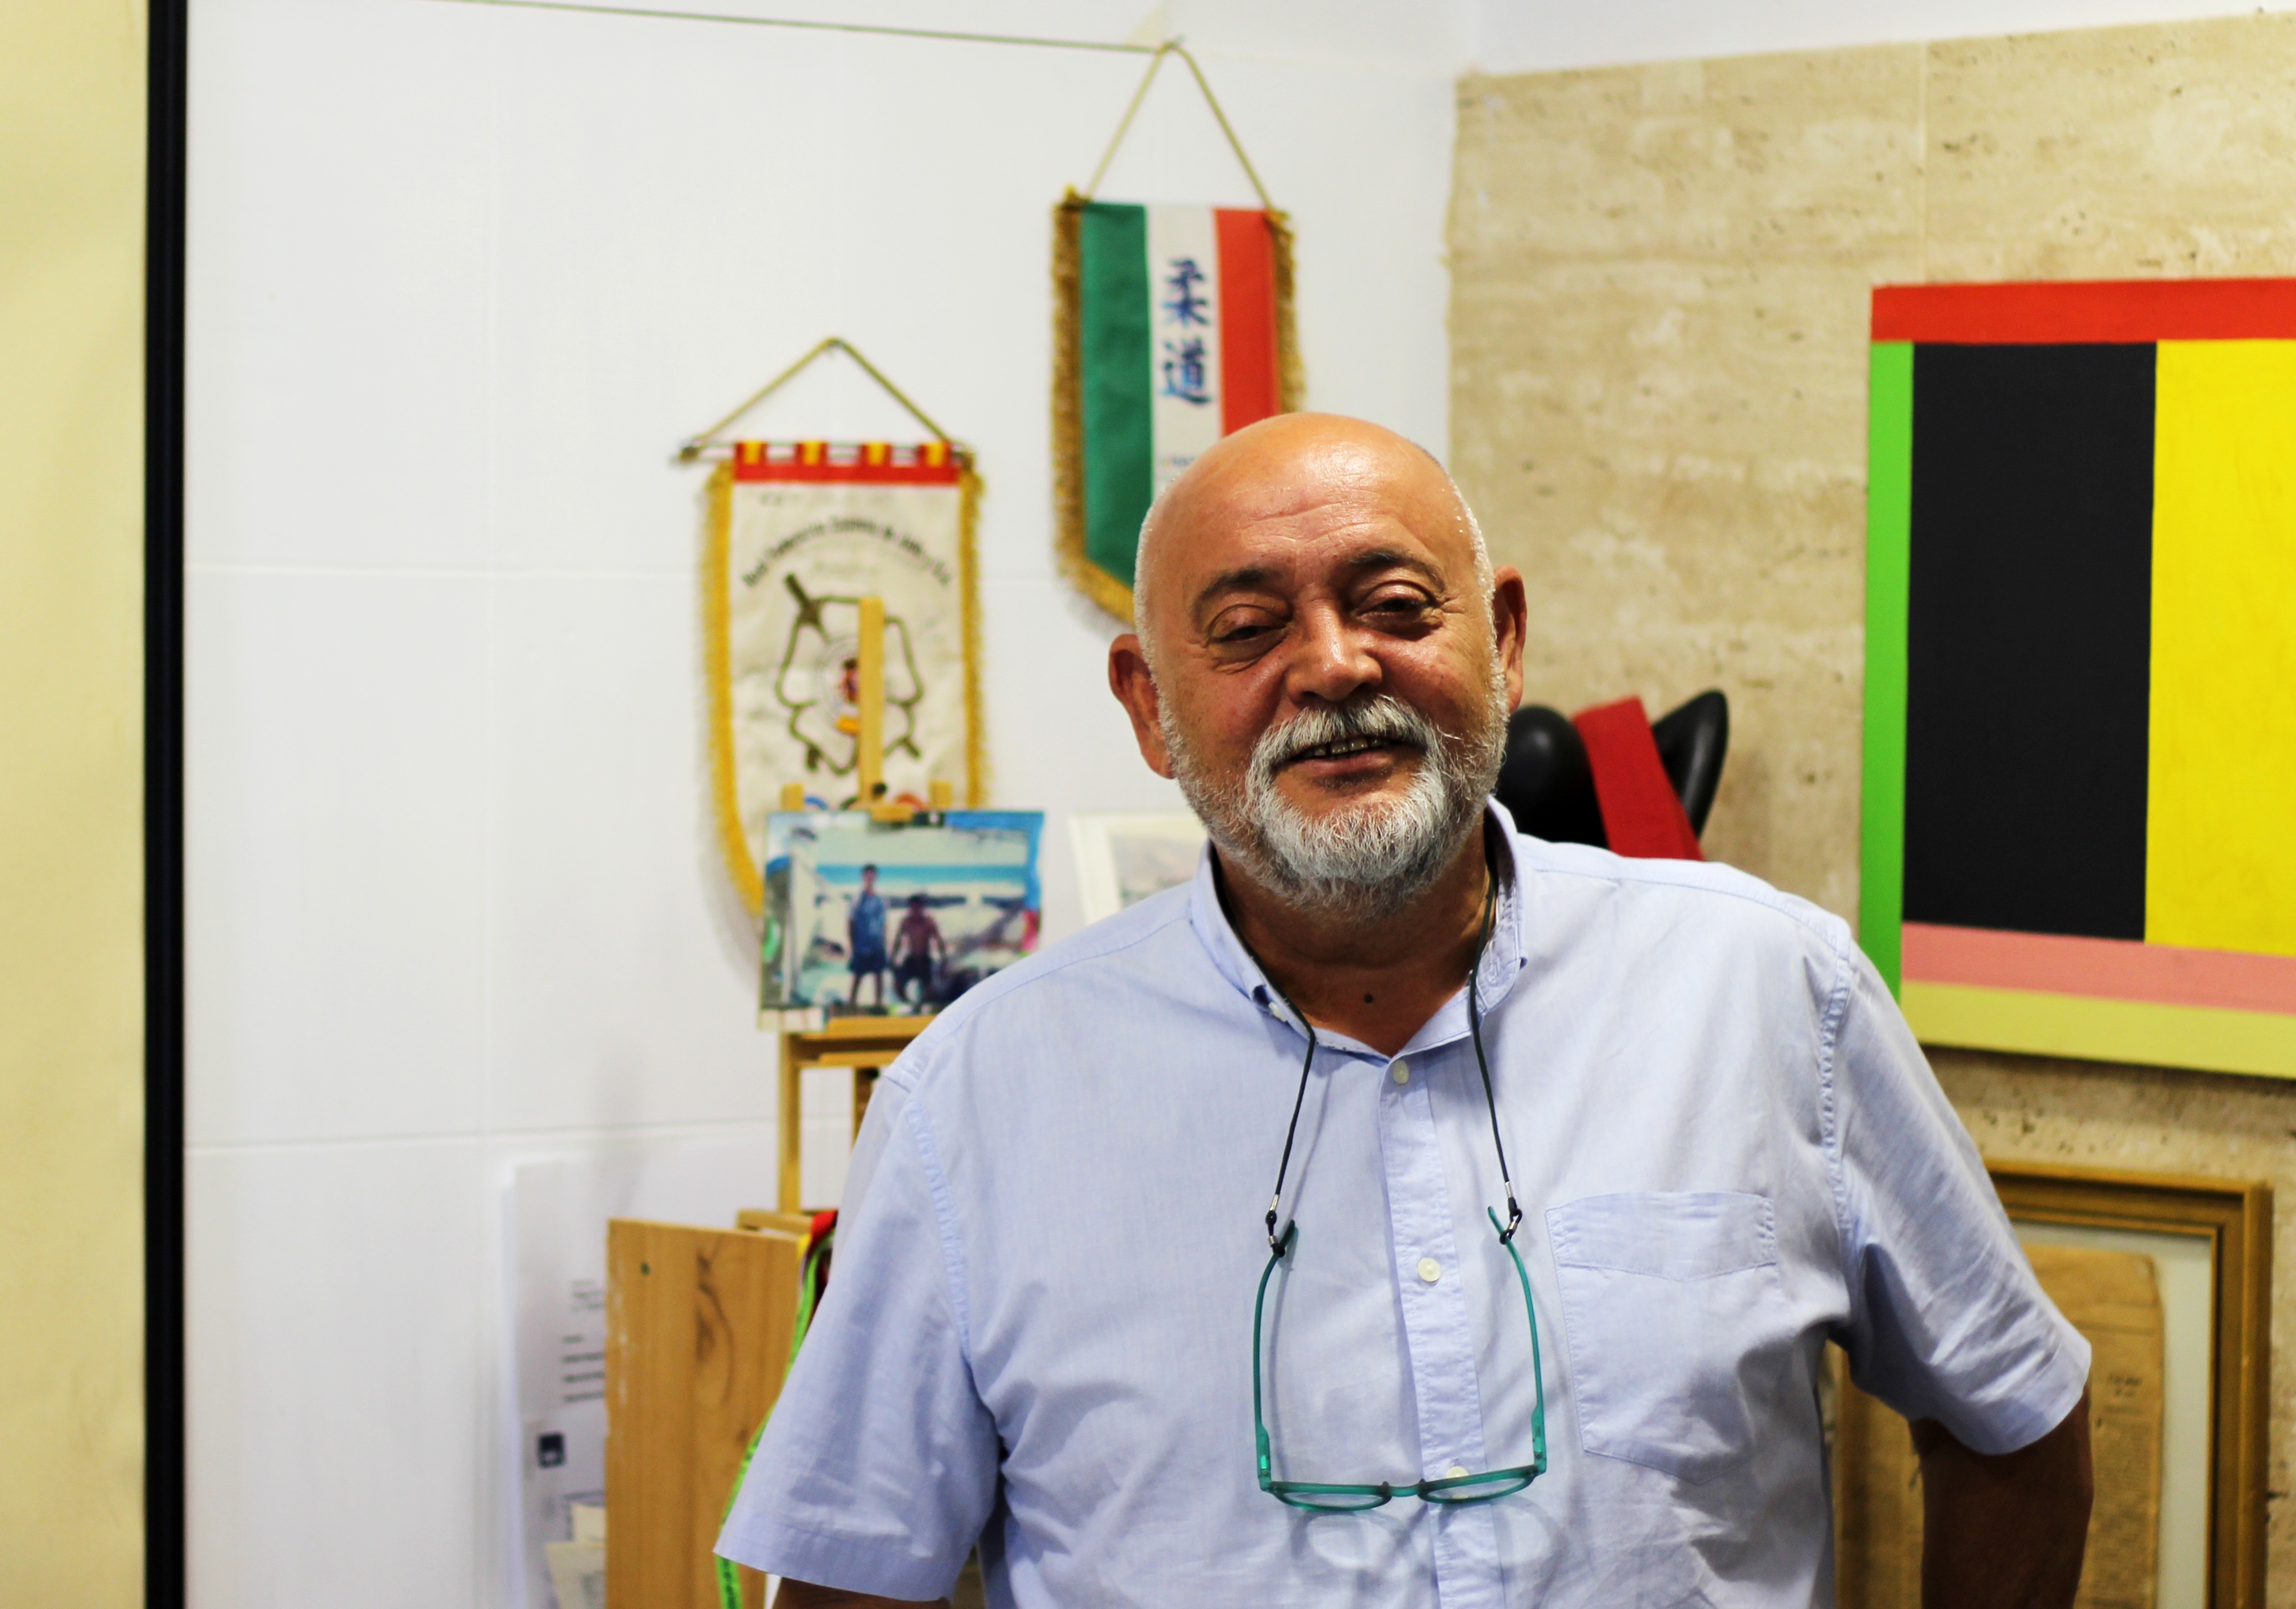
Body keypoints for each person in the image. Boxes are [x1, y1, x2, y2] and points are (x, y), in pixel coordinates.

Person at [723, 414, 2094, 1607]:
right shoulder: (979, 1098)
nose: (1334, 666)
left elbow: (2017, 1418)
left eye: (1392, 603)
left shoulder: (1764, 990)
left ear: (1502, 640)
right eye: (1247, 628)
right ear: (1147, 705)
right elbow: (854, 1573)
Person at [890, 892, 946, 1010]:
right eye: (913, 908)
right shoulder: (906, 922)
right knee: (897, 985)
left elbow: (939, 942)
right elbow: (898, 942)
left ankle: (921, 1007)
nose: (916, 911)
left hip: (925, 960)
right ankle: (909, 1005)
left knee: (931, 988)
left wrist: (944, 962)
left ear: (922, 908)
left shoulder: (929, 922)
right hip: (911, 960)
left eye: (918, 908)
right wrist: (893, 959)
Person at [845, 864, 887, 1009]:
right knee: (857, 976)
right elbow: (851, 922)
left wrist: (885, 942)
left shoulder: (880, 899)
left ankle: (879, 1005)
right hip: (861, 944)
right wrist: (852, 944)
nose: (870, 878)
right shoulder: (857, 899)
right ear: (863, 877)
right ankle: (851, 1005)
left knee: (879, 975)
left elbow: (884, 923)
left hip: (877, 944)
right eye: (867, 875)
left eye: (872, 875)